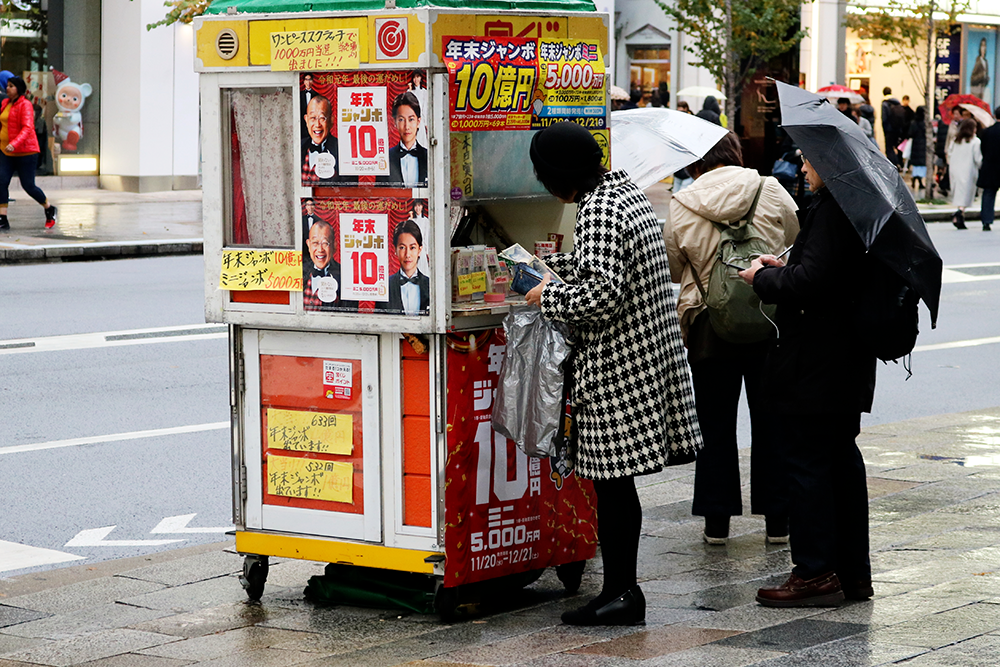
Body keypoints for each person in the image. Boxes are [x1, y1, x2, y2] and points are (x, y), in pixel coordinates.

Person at [523, 121, 702, 626]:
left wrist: (547, 294)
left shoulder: (599, 208)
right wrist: (564, 264)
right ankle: (622, 589)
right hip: (645, 359)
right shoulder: (623, 195)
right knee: (616, 485)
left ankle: (623, 592)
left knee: (613, 485)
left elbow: (602, 298)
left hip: (618, 366)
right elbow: (612, 269)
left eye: (543, 174)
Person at [737, 155, 877, 607]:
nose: (801, 163)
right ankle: (852, 573)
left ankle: (815, 573)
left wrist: (764, 278)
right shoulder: (856, 204)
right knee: (839, 461)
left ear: (828, 161)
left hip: (816, 362)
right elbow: (828, 275)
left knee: (808, 464)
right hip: (844, 359)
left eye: (807, 157)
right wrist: (781, 268)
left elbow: (812, 282)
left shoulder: (833, 209)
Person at [664, 131, 798, 546]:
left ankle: (716, 522)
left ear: (697, 163)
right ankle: (778, 520)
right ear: (735, 155)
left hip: (708, 322)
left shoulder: (683, 203)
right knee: (774, 419)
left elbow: (672, 265)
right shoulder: (771, 188)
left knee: (714, 423)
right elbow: (795, 239)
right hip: (769, 315)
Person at [0, 76, 57, 231]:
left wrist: (14, 143)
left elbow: (27, 128)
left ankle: (49, 208)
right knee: (1, 181)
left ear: (19, 88)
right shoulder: (5, 104)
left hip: (26, 151)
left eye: (11, 86)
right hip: (6, 151)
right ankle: (3, 218)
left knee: (28, 186)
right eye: (7, 86)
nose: (8, 88)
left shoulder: (25, 105)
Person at [377, 219, 429, 315]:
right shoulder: (385, 287)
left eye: (412, 247)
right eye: (402, 247)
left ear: (419, 250)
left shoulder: (430, 286)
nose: (407, 254)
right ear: (395, 250)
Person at [385, 91, 427, 186]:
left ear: (418, 122)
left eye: (411, 119)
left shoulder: (429, 157)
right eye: (401, 120)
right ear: (395, 122)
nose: (406, 126)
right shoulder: (386, 159)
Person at [947, 118, 982, 229]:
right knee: (966, 194)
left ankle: (960, 214)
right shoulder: (975, 141)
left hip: (955, 169)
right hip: (969, 170)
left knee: (958, 193)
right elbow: (978, 158)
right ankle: (960, 213)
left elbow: (949, 153)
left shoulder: (955, 140)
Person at [301, 94, 342, 185]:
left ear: (331, 121)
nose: (317, 124)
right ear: (306, 120)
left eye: (322, 118)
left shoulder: (342, 150)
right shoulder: (299, 146)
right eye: (313, 118)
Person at [303, 220, 343, 311]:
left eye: (325, 243)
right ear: (308, 245)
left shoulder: (343, 277)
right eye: (315, 243)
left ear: (334, 246)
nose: (320, 249)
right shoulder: (299, 271)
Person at [976, 106, 1000, 231]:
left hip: (990, 166)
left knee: (988, 194)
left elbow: (983, 149)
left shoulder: (986, 132)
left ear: (995, 116)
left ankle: (986, 221)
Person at [881, 87, 903, 166]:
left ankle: (892, 164)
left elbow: (884, 118)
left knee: (889, 148)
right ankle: (898, 163)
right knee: (895, 147)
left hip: (889, 130)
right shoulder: (897, 102)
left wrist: (885, 129)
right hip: (897, 129)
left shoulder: (885, 103)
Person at [909, 106, 928, 192]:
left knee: (916, 163)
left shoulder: (913, 122)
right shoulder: (925, 123)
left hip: (915, 144)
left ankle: (915, 177)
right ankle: (920, 181)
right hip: (923, 144)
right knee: (922, 163)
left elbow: (910, 133)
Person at [409, 199, 430, 275]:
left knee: (422, 269)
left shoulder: (425, 221)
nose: (417, 208)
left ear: (422, 207)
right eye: (416, 206)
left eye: (419, 205)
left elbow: (426, 236)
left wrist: (427, 251)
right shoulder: (411, 220)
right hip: (412, 247)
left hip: (422, 248)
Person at [300, 73, 315, 141]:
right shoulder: (299, 94)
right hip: (302, 124)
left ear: (312, 81)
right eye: (306, 80)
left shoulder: (316, 95)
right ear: (304, 82)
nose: (308, 82)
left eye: (310, 80)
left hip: (313, 123)